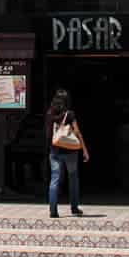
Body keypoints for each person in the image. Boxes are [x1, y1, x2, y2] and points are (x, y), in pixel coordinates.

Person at [45, 88, 88, 218]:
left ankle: (53, 210)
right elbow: (77, 132)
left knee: (55, 178)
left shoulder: (49, 113)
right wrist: (84, 149)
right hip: (70, 151)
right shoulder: (69, 114)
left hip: (54, 150)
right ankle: (74, 207)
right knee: (73, 178)